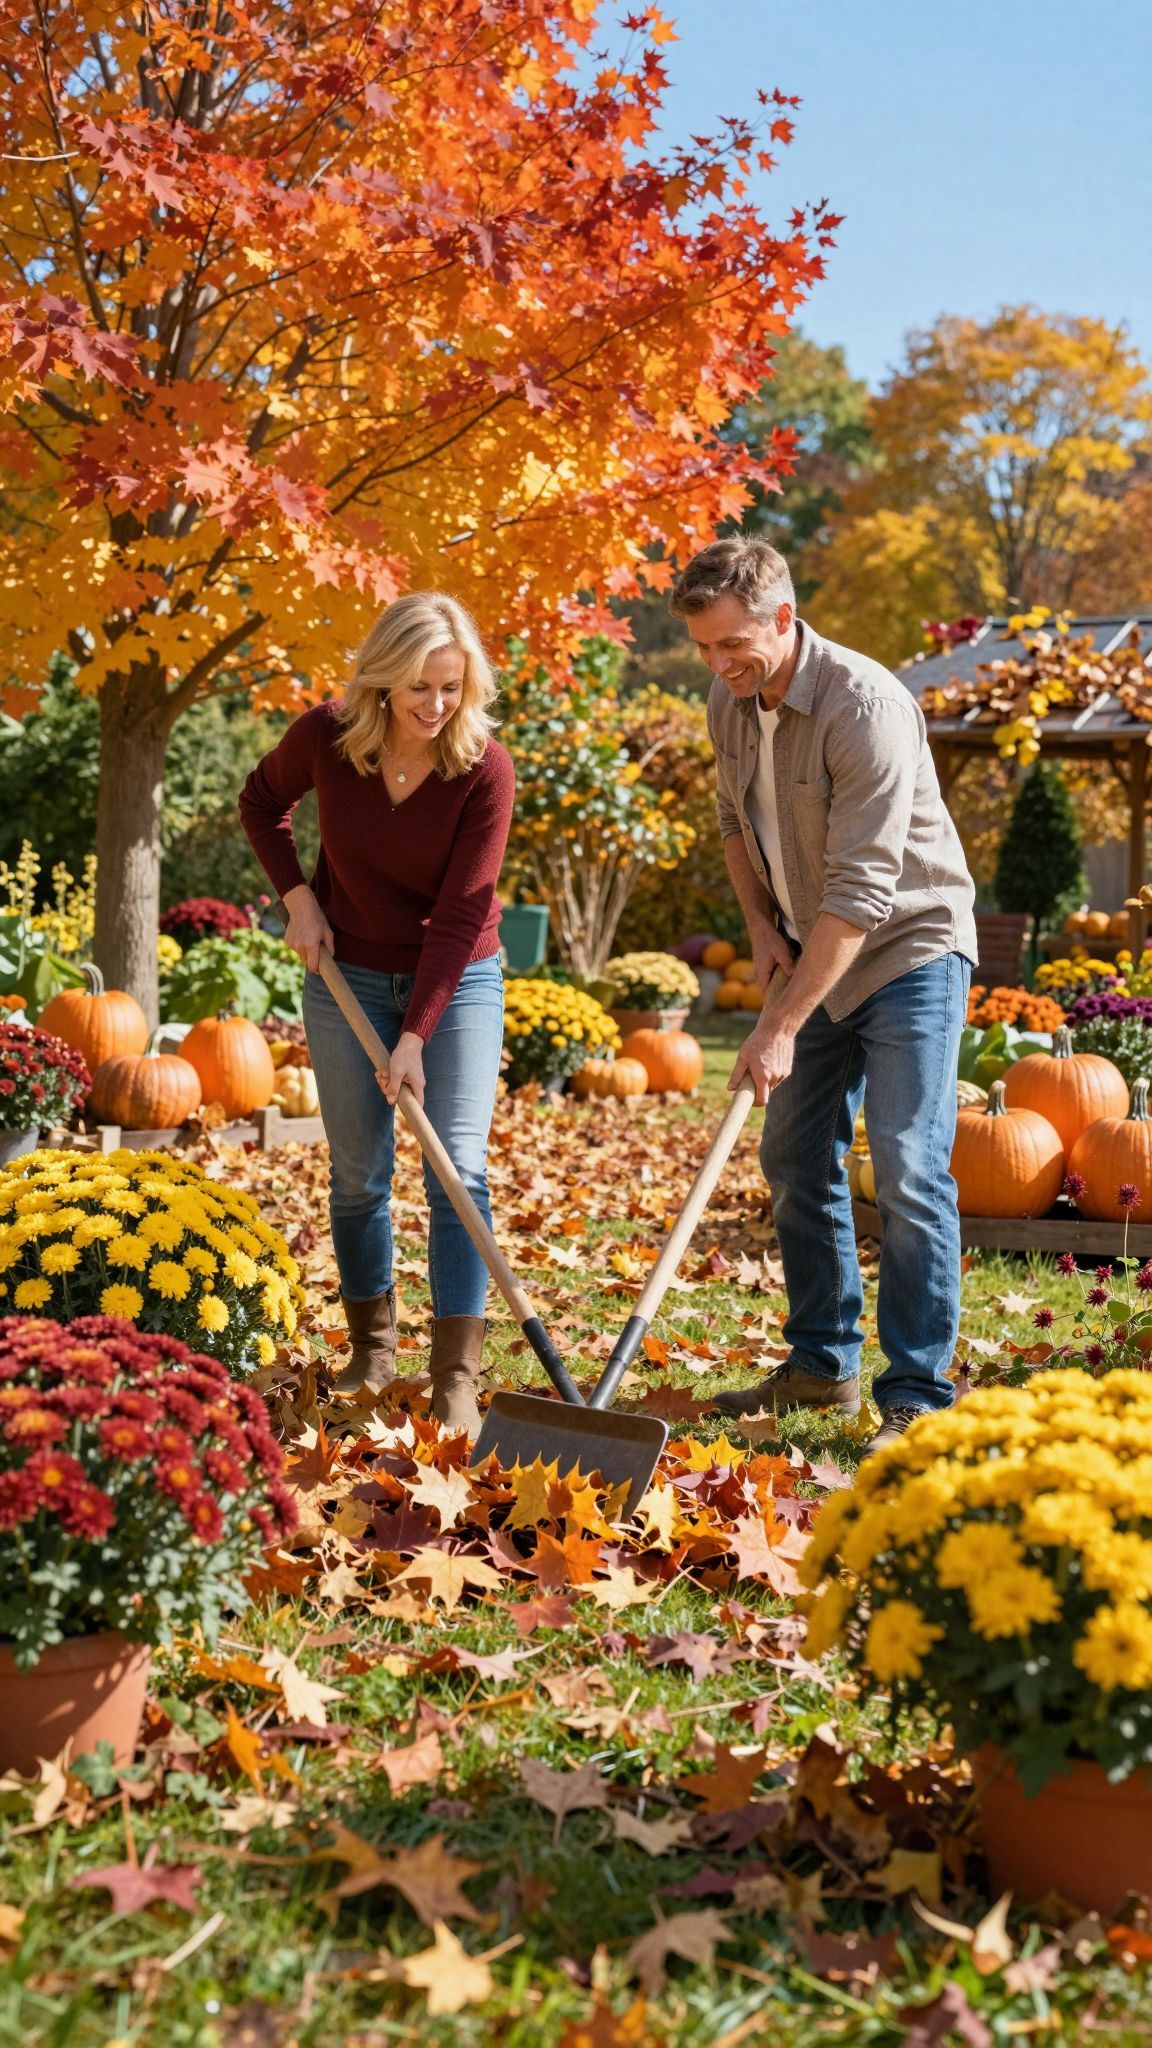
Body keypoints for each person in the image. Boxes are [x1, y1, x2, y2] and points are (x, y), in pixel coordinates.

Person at [670, 537, 978, 1453]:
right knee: (795, 1156)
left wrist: (776, 1025)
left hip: (907, 948)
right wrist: (763, 927)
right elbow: (735, 824)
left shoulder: (866, 705)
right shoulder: (730, 705)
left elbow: (862, 894)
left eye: (735, 645)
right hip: (811, 944)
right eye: (704, 649)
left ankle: (918, 1390)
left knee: (911, 1168)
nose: (721, 666)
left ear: (783, 619)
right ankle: (822, 1366)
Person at [238, 591, 513, 1432]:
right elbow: (259, 801)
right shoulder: (327, 736)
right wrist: (297, 897)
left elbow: (464, 913)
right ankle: (374, 1348)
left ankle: (456, 1376)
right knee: (359, 1173)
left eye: (452, 689)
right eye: (420, 688)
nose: (436, 707)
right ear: (383, 680)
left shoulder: (484, 769)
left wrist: (417, 1036)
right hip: (344, 970)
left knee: (457, 1171)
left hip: (458, 981)